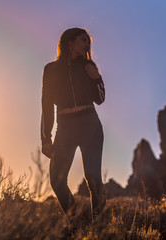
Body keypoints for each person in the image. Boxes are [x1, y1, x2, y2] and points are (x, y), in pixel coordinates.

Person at [40, 28, 105, 222]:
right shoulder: (50, 69)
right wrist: (46, 138)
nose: (87, 44)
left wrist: (97, 79)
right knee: (57, 181)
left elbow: (100, 99)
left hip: (89, 125)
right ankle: (78, 223)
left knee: (93, 181)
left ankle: (99, 229)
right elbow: (46, 104)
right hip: (65, 127)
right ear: (69, 42)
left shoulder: (88, 65)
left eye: (88, 42)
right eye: (83, 40)